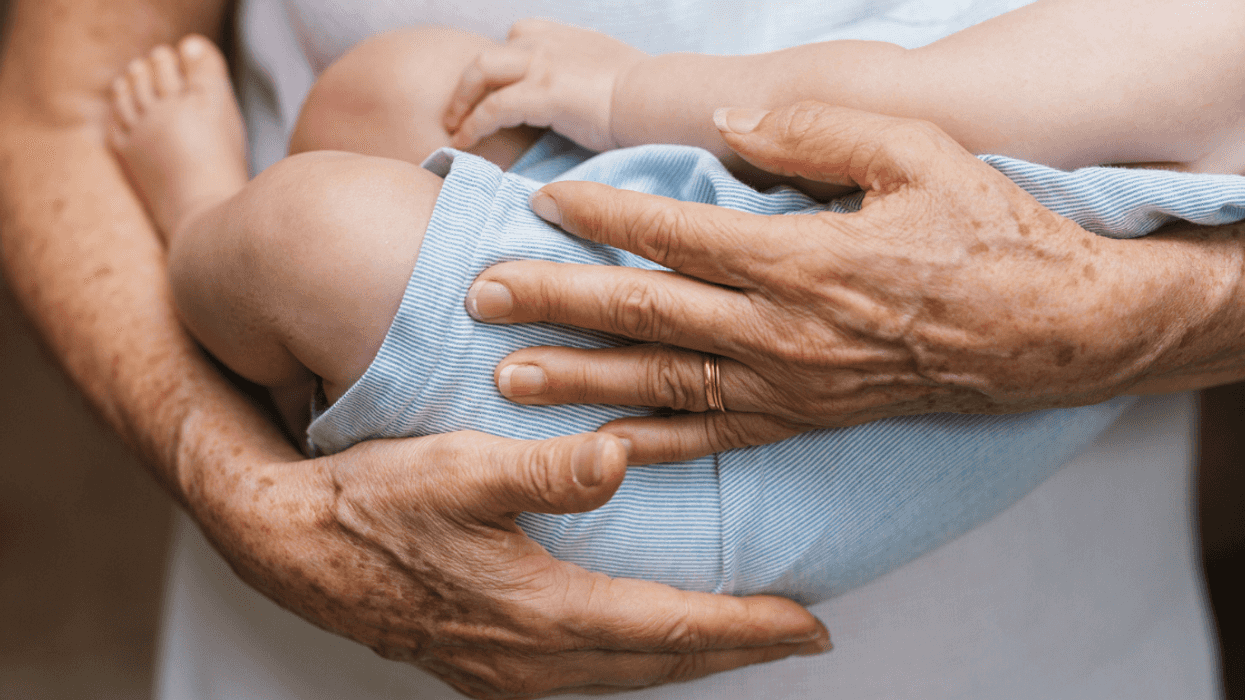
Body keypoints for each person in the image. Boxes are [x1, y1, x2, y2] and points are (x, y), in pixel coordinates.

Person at [0, 0, 1240, 698]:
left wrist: (623, 88)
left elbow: (886, 97)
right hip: (671, 261)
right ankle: (283, 369)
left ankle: (212, 236)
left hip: (687, 470)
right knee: (394, 95)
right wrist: (247, 493)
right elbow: (54, 91)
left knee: (302, 232)